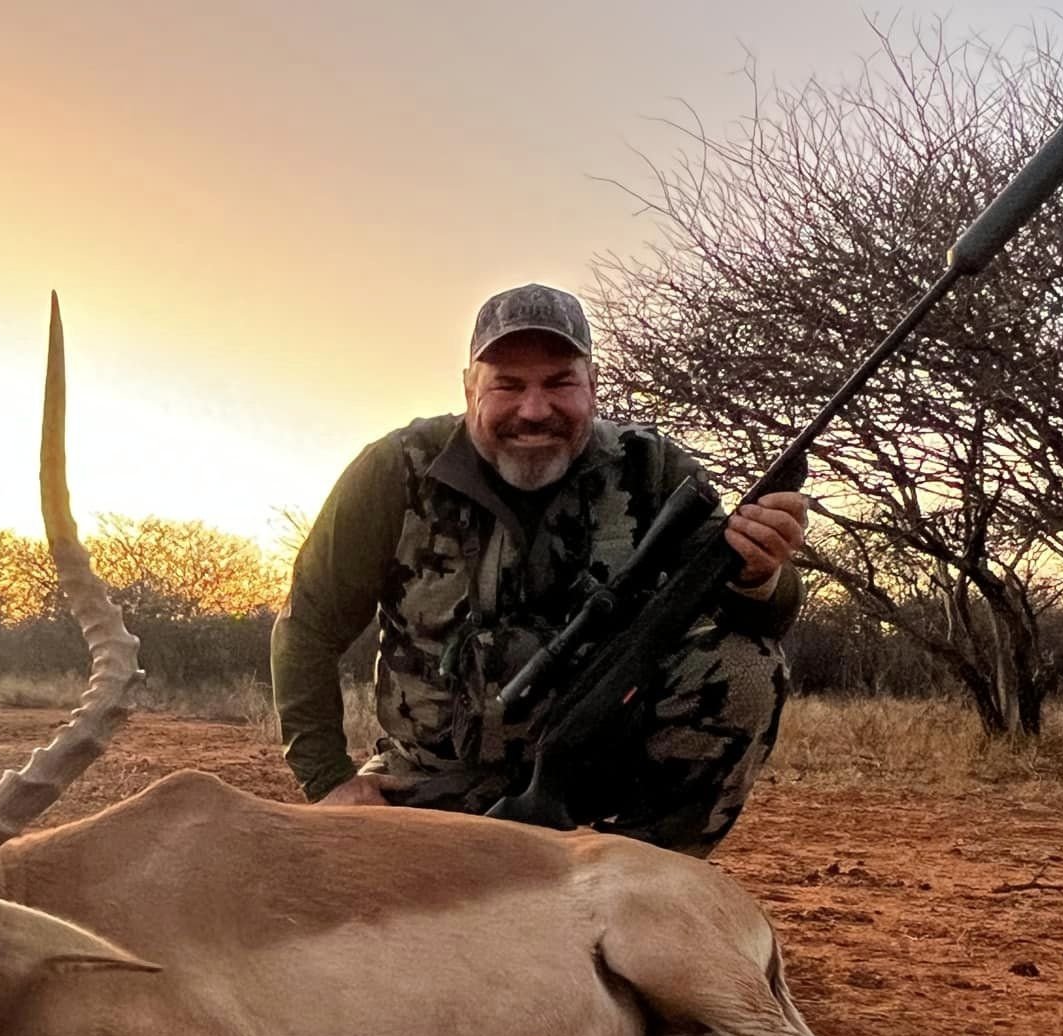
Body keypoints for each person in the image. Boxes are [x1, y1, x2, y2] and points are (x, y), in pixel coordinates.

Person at [270, 282, 809, 855]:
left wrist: (760, 576)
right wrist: (329, 782)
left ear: (593, 386)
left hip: (596, 781)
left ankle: (650, 867)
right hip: (427, 780)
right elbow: (307, 625)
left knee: (747, 665)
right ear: (469, 387)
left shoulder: (652, 468)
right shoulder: (395, 470)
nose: (534, 410)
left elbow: (757, 614)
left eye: (559, 383)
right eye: (508, 385)